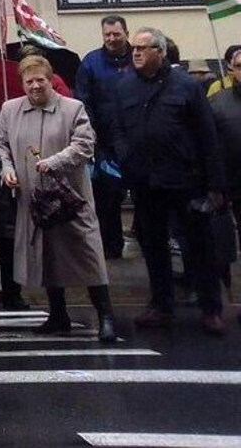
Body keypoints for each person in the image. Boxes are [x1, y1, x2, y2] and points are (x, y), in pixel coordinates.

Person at [103, 27, 227, 336]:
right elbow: (116, 127)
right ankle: (161, 304)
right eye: (135, 48)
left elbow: (206, 136)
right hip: (145, 181)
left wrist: (216, 186)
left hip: (185, 180)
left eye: (144, 48)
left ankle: (211, 308)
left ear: (160, 52)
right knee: (154, 247)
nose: (136, 53)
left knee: (198, 246)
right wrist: (125, 155)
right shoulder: (124, 87)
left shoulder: (185, 85)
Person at [0, 56, 117, 343]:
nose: (35, 86)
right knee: (46, 253)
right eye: (29, 81)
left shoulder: (73, 109)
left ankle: (105, 315)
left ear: (51, 81)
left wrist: (56, 161)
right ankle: (57, 314)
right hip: (33, 199)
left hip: (70, 199)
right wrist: (7, 169)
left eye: (41, 80)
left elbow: (84, 145)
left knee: (88, 254)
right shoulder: (10, 110)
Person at [76, 15, 133, 259]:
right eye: (107, 34)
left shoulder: (137, 57)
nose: (111, 38)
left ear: (126, 33)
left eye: (116, 34)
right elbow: (83, 100)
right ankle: (111, 247)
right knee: (107, 198)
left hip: (137, 140)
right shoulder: (91, 62)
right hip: (105, 144)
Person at [208, 47, 241, 326]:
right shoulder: (218, 104)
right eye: (239, 66)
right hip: (229, 184)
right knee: (221, 246)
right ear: (231, 69)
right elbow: (209, 146)